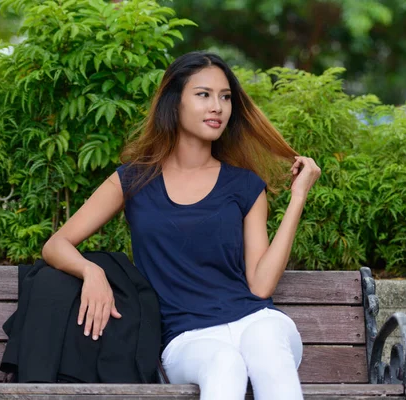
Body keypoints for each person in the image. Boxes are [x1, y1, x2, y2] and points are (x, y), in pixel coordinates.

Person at [41, 51, 321, 400]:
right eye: (203, 94)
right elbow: (56, 245)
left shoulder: (245, 185)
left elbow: (261, 285)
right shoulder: (133, 181)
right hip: (189, 337)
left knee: (269, 353)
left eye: (225, 97)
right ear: (174, 103)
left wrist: (298, 198)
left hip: (256, 320)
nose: (217, 106)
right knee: (225, 364)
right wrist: (91, 272)